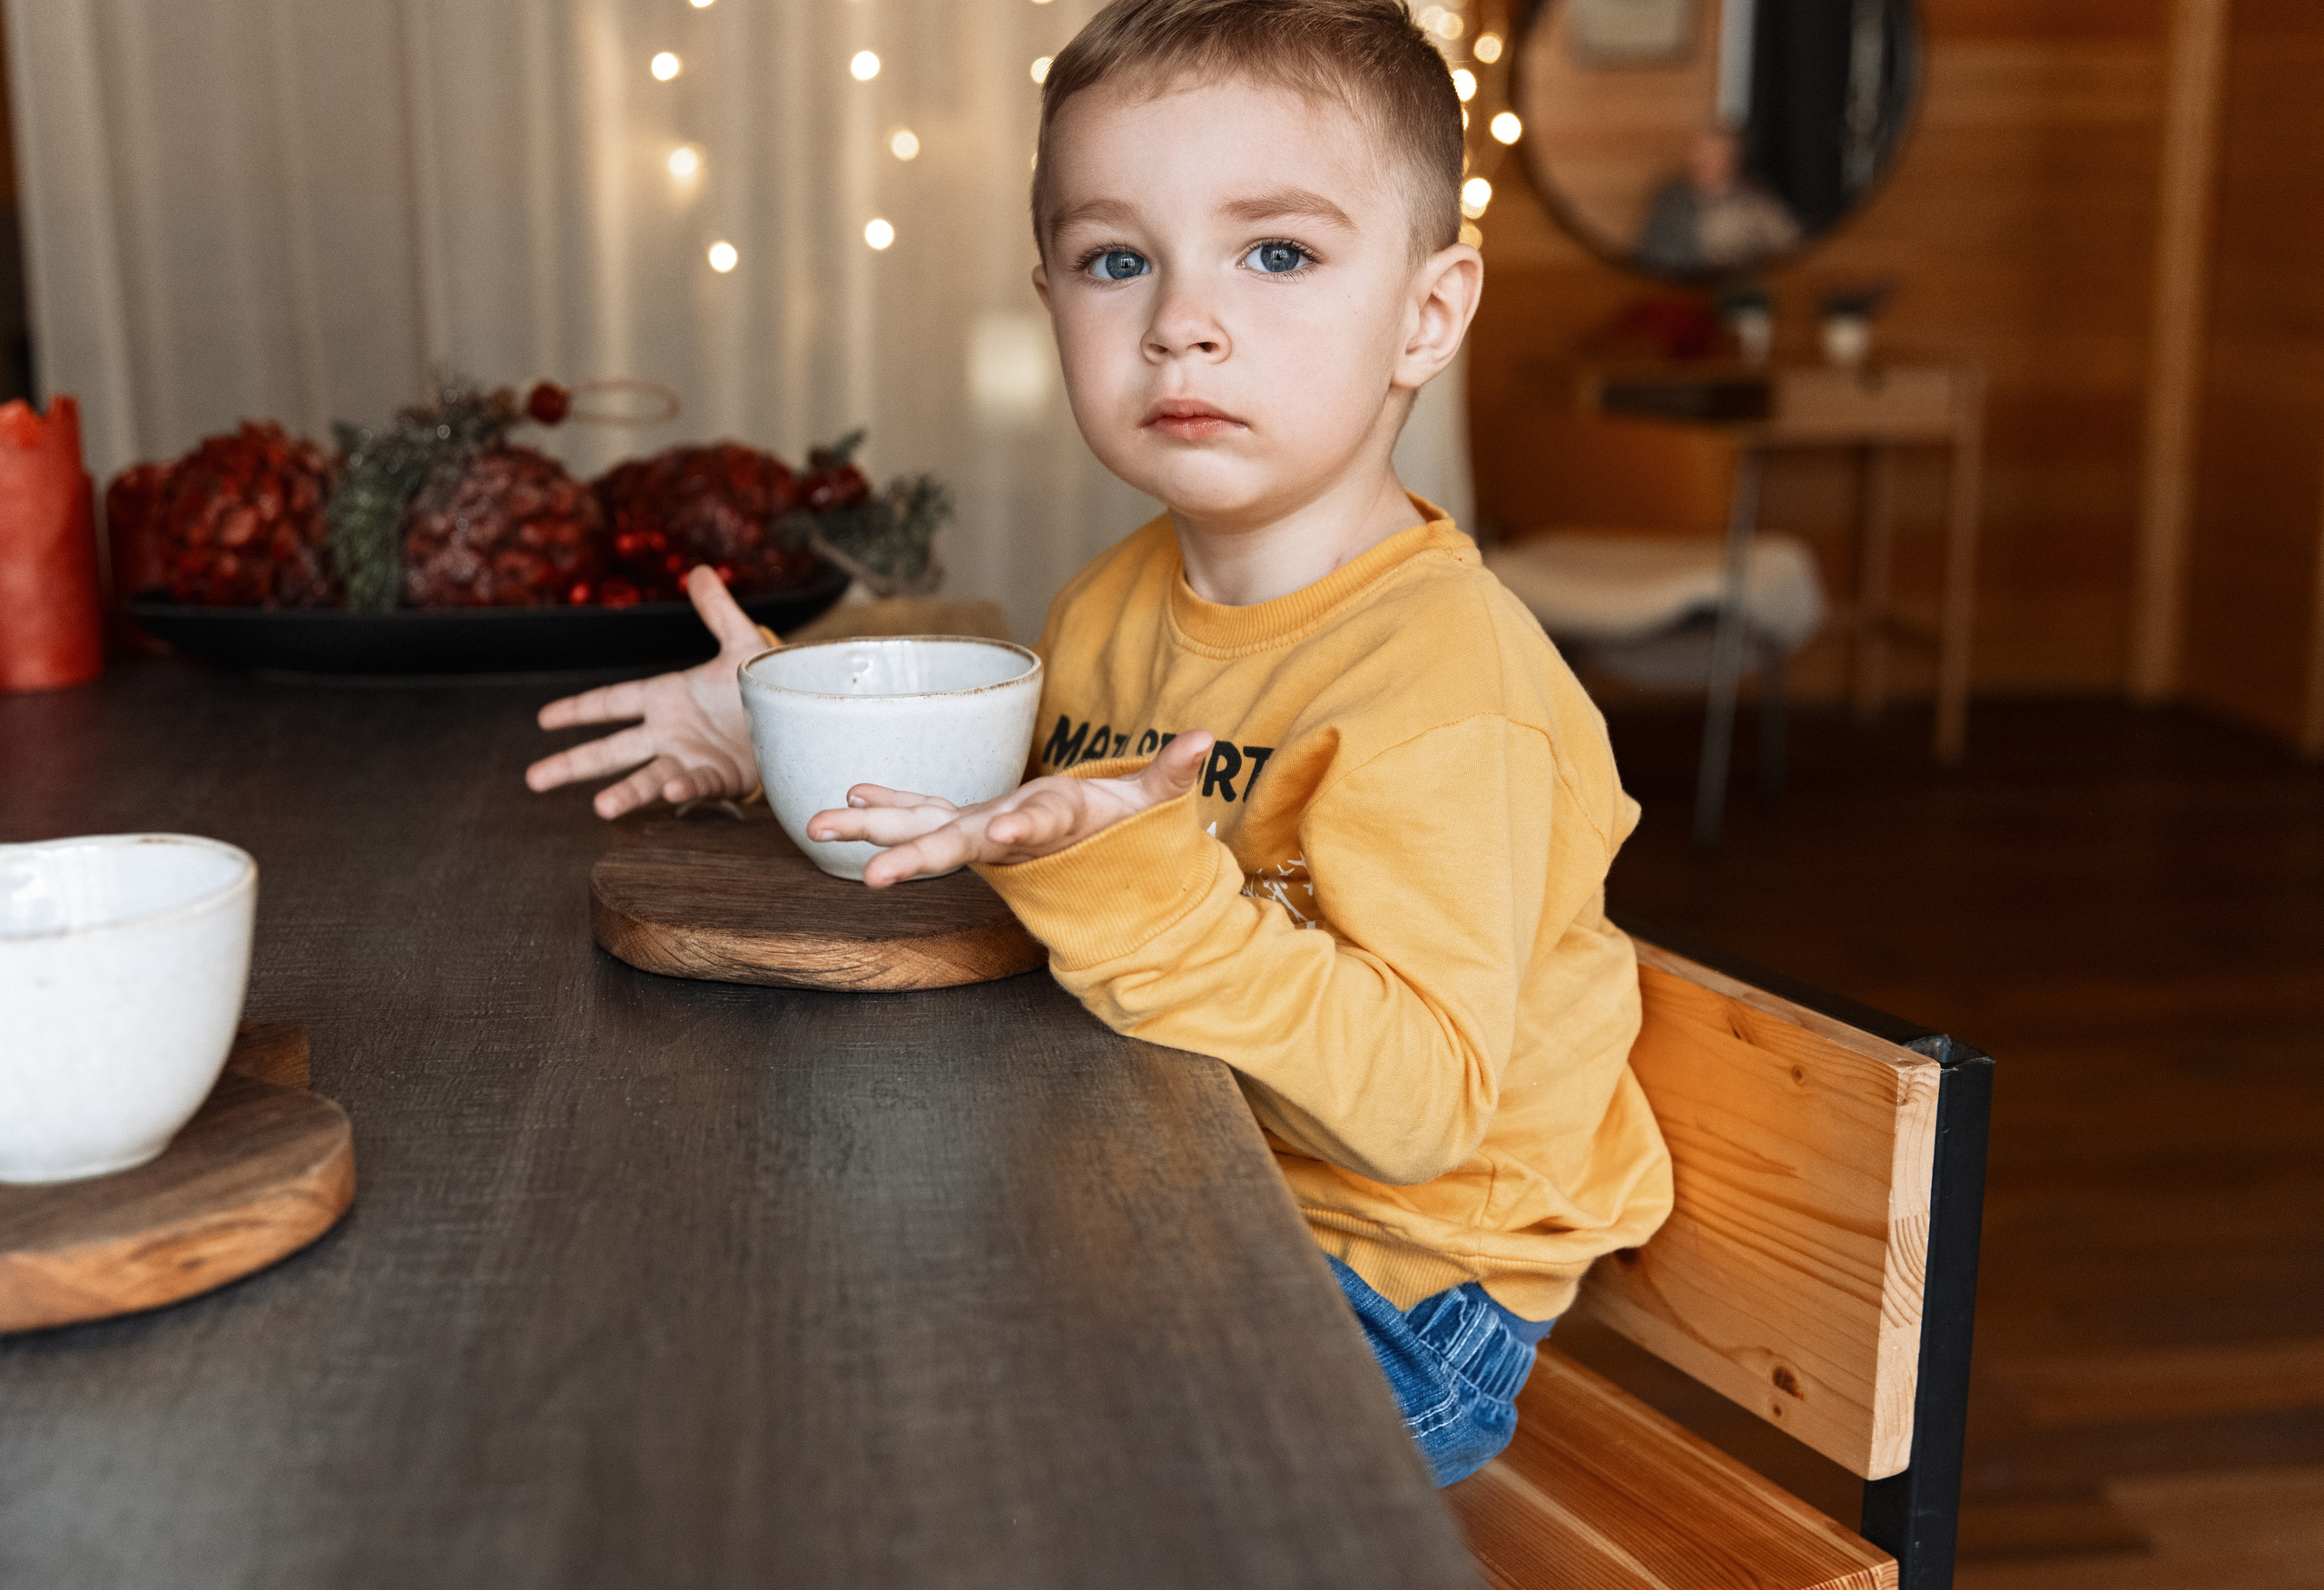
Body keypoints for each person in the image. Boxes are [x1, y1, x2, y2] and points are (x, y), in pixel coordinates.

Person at [527, 0, 1671, 1487]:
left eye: (1278, 252)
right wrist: (787, 741)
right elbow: (1028, 838)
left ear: (1428, 313)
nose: (1182, 317)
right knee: (744, 1307)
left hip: (1389, 1286)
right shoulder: (1116, 596)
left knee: (957, 1468)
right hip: (1162, 1179)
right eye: (1116, 258)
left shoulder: (1451, 695)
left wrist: (1141, 878)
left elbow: (1417, 1110)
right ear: (1050, 294)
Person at [1635, 127, 1802, 277]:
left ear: (1731, 160)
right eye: (1698, 152)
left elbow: (1792, 249)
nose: (1701, 160)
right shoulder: (1671, 199)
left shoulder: (1757, 204)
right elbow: (1649, 256)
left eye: (1712, 154)